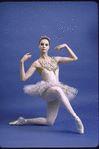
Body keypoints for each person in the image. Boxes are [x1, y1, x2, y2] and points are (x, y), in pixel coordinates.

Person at [9, 36, 84, 134]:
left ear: (49, 47)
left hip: (57, 92)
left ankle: (23, 120)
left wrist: (65, 46)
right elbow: (23, 78)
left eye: (46, 45)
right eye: (42, 44)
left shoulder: (56, 59)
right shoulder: (36, 63)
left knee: (49, 121)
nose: (44, 46)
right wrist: (22, 62)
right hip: (47, 92)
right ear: (39, 46)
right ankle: (76, 118)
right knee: (57, 89)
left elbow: (74, 58)